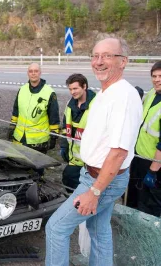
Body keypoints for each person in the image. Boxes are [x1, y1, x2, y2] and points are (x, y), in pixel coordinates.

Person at [45, 37, 143, 266]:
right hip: (97, 175)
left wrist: (95, 192)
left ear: (123, 61)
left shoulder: (122, 97)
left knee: (56, 228)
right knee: (98, 230)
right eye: (95, 56)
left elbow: (118, 152)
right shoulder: (106, 92)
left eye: (107, 56)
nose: (99, 62)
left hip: (101, 180)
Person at [127, 61, 161, 217]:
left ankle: (147, 237)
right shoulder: (152, 94)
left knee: (149, 205)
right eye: (154, 76)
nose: (157, 80)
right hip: (139, 157)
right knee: (133, 197)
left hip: (154, 164)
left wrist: (153, 171)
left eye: (160, 76)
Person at [8, 63, 60, 156]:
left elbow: (54, 116)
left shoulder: (49, 93)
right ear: (27, 73)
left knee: (37, 168)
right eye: (30, 71)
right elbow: (16, 111)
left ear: (40, 73)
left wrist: (53, 136)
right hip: (19, 137)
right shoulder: (22, 90)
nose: (33, 73)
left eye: (36, 71)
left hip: (38, 142)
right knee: (19, 166)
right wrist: (12, 127)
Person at [60, 74, 96, 193]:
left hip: (90, 160)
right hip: (74, 158)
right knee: (68, 180)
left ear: (84, 86)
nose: (72, 92)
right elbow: (65, 127)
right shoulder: (70, 104)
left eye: (75, 88)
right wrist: (64, 146)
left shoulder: (96, 105)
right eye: (70, 89)